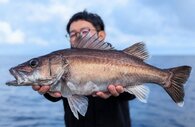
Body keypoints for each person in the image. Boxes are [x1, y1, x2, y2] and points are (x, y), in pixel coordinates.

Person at [32, 10, 135, 127]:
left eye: (84, 31)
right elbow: (57, 95)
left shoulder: (122, 59)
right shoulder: (61, 61)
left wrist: (120, 92)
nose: (78, 36)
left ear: (101, 35)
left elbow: (132, 95)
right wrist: (48, 92)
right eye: (72, 34)